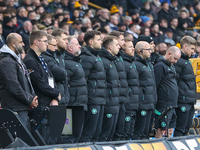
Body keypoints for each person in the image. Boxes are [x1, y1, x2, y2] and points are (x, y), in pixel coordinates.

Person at [23, 30, 60, 144]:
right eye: (44, 41)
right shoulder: (30, 60)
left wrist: (55, 98)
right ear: (36, 42)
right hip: (40, 106)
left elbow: (51, 79)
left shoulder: (42, 59)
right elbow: (39, 84)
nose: (47, 44)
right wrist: (55, 94)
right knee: (42, 140)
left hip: (49, 103)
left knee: (52, 139)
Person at [0, 33, 38, 125]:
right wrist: (29, 99)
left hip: (22, 106)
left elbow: (26, 81)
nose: (23, 44)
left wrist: (32, 97)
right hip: (15, 107)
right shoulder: (6, 61)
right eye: (21, 42)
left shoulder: (16, 59)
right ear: (13, 44)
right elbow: (13, 86)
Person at [79, 31, 106, 142]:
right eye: (98, 39)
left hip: (100, 99)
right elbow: (83, 79)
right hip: (92, 99)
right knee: (88, 133)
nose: (101, 42)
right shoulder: (86, 57)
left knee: (96, 132)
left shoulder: (96, 56)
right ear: (90, 42)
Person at [64, 37, 88, 143]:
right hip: (71, 105)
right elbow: (65, 84)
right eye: (77, 44)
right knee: (68, 136)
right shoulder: (68, 63)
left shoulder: (76, 61)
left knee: (76, 135)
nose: (80, 46)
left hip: (79, 103)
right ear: (70, 47)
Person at [154, 46, 181, 138]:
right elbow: (155, 85)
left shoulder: (171, 66)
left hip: (172, 104)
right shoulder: (160, 66)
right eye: (175, 58)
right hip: (163, 105)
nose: (176, 61)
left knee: (170, 130)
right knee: (161, 130)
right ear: (169, 54)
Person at [132, 41, 156, 140]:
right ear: (140, 51)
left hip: (150, 103)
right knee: (139, 132)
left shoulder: (149, 64)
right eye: (148, 49)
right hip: (142, 104)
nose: (151, 51)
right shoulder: (135, 64)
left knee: (147, 133)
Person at [174, 36, 197, 137]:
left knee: (186, 128)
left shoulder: (187, 60)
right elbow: (174, 81)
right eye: (191, 49)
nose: (193, 51)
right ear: (185, 46)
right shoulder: (178, 61)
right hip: (182, 100)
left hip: (189, 100)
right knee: (180, 128)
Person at [98, 35, 120, 141]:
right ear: (110, 47)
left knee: (110, 136)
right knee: (104, 136)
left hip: (114, 103)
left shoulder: (112, 61)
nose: (119, 46)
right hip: (108, 104)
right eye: (116, 45)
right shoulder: (104, 61)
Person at [109, 31, 129, 141]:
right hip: (114, 99)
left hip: (122, 98)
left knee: (121, 130)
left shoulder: (120, 57)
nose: (124, 42)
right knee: (112, 131)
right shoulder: (113, 58)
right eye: (121, 40)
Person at [41, 34, 69, 105]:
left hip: (61, 97)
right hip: (54, 99)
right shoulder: (46, 57)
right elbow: (61, 74)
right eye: (54, 45)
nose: (56, 48)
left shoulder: (53, 56)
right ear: (47, 44)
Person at [121, 37, 139, 140]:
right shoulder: (124, 64)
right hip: (128, 105)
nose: (133, 49)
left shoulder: (132, 63)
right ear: (123, 50)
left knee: (129, 133)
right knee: (125, 132)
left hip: (133, 104)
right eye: (130, 47)